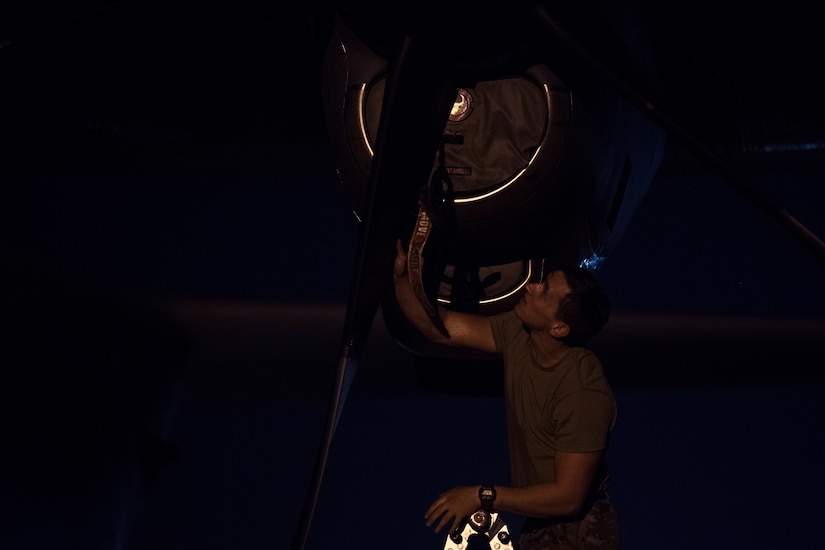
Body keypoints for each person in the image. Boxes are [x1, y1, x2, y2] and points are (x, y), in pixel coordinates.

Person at [393, 240, 619, 549]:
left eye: (545, 292)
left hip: (580, 533)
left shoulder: (582, 393)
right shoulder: (519, 332)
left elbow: (569, 498)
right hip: (539, 523)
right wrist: (403, 279)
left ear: (559, 328)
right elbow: (439, 328)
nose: (532, 287)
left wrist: (481, 496)